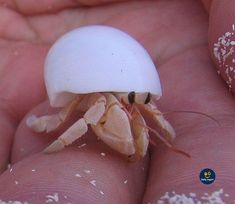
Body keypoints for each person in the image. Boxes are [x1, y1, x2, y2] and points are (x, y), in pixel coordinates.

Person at [0, 0, 234, 203]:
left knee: (131, 107)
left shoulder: (126, 93)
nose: (133, 107)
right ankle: (57, 141)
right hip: (90, 86)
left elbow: (139, 104)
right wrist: (58, 143)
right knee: (106, 104)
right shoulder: (101, 97)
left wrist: (167, 136)